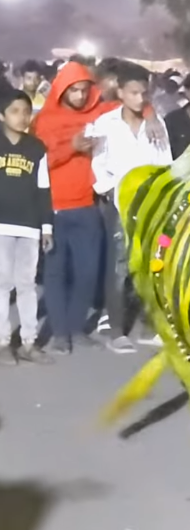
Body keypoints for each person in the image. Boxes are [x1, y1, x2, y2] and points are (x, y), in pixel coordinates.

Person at [91, 64, 174, 354]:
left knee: (152, 264)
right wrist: (110, 190)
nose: (140, 98)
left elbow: (166, 163)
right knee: (119, 267)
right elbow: (98, 164)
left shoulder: (156, 123)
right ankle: (116, 330)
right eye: (134, 93)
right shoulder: (106, 124)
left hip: (152, 204)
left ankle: (150, 325)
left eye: (144, 92)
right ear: (121, 92)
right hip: (118, 204)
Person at [31, 62, 110, 355]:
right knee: (55, 273)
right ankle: (61, 333)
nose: (79, 96)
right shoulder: (45, 121)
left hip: (87, 207)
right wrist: (71, 148)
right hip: (54, 209)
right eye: (73, 90)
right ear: (62, 90)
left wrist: (151, 118)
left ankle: (76, 326)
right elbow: (39, 163)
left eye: (83, 90)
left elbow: (131, 103)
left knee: (88, 272)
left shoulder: (97, 115)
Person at [0, 88, 54, 365]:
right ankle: (2, 343)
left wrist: (47, 227)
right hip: (1, 226)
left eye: (26, 111)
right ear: (2, 115)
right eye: (15, 111)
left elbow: (44, 189)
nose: (22, 117)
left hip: (29, 226)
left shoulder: (36, 148)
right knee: (2, 285)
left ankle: (29, 343)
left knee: (27, 285)